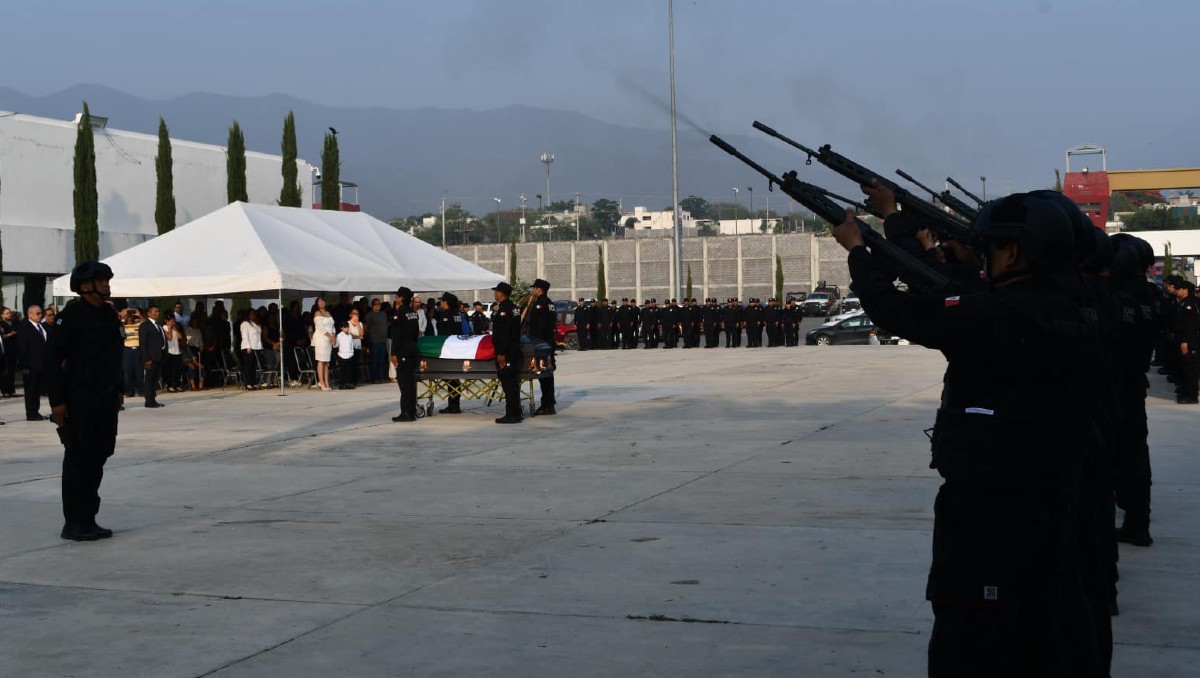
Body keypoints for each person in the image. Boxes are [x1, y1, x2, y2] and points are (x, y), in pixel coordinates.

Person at [833, 193, 1101, 675]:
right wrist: (939, 256)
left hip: (989, 510)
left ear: (1015, 253)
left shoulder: (995, 314)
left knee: (971, 641)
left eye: (992, 249)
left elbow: (899, 311)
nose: (986, 259)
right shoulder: (1079, 309)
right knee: (1045, 632)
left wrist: (858, 251)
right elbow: (966, 296)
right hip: (1053, 495)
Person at [44, 261, 123, 541]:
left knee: (99, 455)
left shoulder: (108, 315)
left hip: (105, 399)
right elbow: (52, 362)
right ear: (85, 285)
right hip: (78, 400)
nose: (106, 283)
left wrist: (119, 389)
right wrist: (58, 403)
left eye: (106, 279)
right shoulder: (72, 316)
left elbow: (115, 357)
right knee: (78, 458)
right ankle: (74, 522)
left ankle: (89, 518)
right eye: (101, 280)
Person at [491, 282, 523, 424]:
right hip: (514, 348)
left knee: (508, 383)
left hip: (507, 351)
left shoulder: (504, 310)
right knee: (513, 383)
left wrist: (501, 353)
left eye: (496, 292)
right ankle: (516, 411)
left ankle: (512, 414)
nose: (495, 294)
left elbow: (504, 334)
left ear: (501, 293)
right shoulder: (514, 308)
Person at [390, 287, 421, 422]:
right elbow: (415, 333)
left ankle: (406, 412)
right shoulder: (414, 313)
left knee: (404, 382)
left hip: (402, 350)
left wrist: (393, 353)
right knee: (411, 382)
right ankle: (412, 411)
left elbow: (396, 335)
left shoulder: (399, 313)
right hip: (412, 348)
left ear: (401, 298)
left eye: (397, 296)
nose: (396, 298)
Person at [526, 279, 557, 416]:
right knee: (548, 374)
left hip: (541, 343)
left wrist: (535, 343)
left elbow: (539, 326)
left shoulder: (540, 304)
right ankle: (549, 402)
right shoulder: (550, 303)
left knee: (543, 375)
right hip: (548, 342)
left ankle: (547, 404)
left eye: (534, 288)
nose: (533, 290)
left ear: (539, 290)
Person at [17, 305, 50, 420]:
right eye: (37, 313)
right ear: (30, 314)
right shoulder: (25, 327)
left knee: (37, 389)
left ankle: (36, 411)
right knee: (31, 390)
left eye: (41, 313)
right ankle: (31, 413)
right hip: (31, 365)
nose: (40, 315)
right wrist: (24, 365)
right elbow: (22, 347)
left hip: (41, 364)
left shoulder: (41, 326)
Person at [1172, 280, 1199, 404]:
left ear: (1186, 290)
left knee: (1190, 368)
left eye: (1179, 289)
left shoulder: (1189, 304)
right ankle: (1187, 391)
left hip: (1190, 341)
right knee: (1185, 367)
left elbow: (1189, 326)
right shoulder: (1183, 302)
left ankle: (1191, 396)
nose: (1177, 291)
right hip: (1185, 340)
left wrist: (1185, 341)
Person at [138, 305, 167, 408]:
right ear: (149, 313)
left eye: (158, 311)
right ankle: (149, 401)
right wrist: (147, 359)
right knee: (149, 379)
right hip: (151, 357)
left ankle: (153, 399)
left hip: (159, 356)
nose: (157, 313)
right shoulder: (145, 326)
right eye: (155, 311)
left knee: (155, 379)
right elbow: (143, 344)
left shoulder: (158, 325)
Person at [311, 297, 335, 391]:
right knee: (321, 360)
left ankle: (326, 382)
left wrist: (334, 336)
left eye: (322, 301)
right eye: (319, 301)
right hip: (321, 338)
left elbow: (332, 326)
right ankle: (321, 382)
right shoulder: (317, 313)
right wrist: (330, 336)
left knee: (326, 361)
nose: (321, 303)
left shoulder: (328, 313)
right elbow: (320, 327)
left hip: (329, 340)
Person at [364, 298, 390, 384]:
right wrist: (367, 341)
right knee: (374, 360)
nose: (378, 305)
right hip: (374, 341)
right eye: (376, 304)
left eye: (379, 304)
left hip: (383, 340)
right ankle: (375, 378)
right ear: (372, 305)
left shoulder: (383, 314)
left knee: (382, 360)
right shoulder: (369, 315)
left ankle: (381, 377)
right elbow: (365, 328)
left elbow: (386, 324)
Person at [238, 309, 263, 391]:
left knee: (254, 366)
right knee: (248, 366)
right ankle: (248, 383)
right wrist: (248, 346)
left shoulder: (254, 324)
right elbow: (245, 336)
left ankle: (253, 382)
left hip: (256, 347)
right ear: (248, 315)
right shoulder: (245, 324)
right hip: (248, 347)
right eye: (252, 314)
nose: (253, 315)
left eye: (254, 314)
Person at [162, 315, 185, 393]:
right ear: (167, 321)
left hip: (177, 351)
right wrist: (170, 330)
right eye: (172, 321)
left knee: (178, 369)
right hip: (169, 351)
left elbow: (180, 337)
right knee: (169, 370)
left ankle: (177, 384)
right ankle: (170, 385)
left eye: (174, 321)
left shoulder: (174, 328)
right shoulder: (164, 327)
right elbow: (169, 338)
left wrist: (175, 329)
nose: (173, 323)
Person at [0, 306, 17, 397]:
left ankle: (12, 390)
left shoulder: (13, 322)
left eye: (9, 313)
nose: (9, 315)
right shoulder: (1, 324)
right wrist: (9, 334)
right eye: (7, 313)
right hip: (5, 351)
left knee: (12, 371)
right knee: (5, 371)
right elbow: (2, 336)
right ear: (2, 315)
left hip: (13, 351)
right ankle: (5, 390)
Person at [334, 320, 356, 390]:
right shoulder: (339, 336)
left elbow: (351, 344)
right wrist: (333, 342)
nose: (347, 328)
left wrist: (352, 352)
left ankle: (348, 383)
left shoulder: (349, 336)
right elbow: (336, 345)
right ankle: (342, 383)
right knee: (343, 370)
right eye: (345, 327)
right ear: (341, 328)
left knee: (349, 370)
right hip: (342, 355)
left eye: (347, 327)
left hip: (349, 355)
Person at [347, 307, 365, 387]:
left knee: (356, 364)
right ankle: (350, 381)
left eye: (357, 314)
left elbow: (362, 334)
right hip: (350, 346)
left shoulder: (360, 323)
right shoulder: (348, 323)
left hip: (357, 346)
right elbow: (349, 334)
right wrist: (358, 336)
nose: (356, 315)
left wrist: (357, 323)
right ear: (350, 315)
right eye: (354, 314)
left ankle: (355, 381)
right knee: (351, 363)